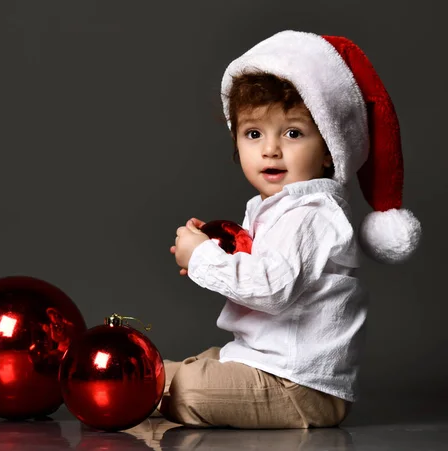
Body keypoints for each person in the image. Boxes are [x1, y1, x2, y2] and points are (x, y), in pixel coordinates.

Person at [162, 30, 422, 429]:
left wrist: (203, 258)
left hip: (300, 384)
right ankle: (145, 379)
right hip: (266, 362)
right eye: (254, 134)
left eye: (293, 133)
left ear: (329, 152)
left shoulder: (312, 213)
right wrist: (221, 246)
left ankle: (142, 390)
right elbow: (266, 265)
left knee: (187, 389)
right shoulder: (275, 207)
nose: (271, 149)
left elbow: (272, 288)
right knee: (198, 365)